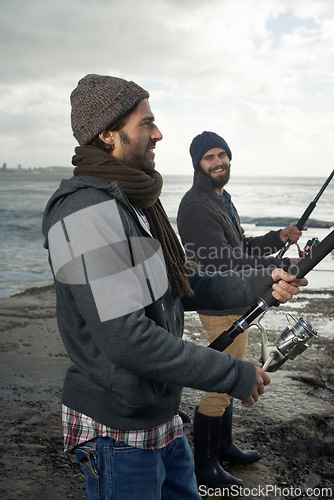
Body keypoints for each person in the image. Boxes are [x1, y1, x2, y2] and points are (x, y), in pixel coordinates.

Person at [42, 76, 307, 499]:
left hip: (161, 414)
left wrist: (262, 282)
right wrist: (231, 374)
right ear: (107, 134)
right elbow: (127, 340)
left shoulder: (134, 201)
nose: (159, 133)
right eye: (147, 123)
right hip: (117, 429)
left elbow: (177, 287)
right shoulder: (85, 212)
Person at [177, 130, 306, 489]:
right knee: (221, 381)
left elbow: (240, 245)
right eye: (209, 157)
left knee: (231, 369)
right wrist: (271, 270)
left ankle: (224, 446)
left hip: (237, 299)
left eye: (222, 154)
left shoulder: (221, 197)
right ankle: (204, 467)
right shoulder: (195, 205)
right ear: (198, 165)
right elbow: (220, 260)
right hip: (218, 302)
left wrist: (277, 238)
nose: (219, 161)